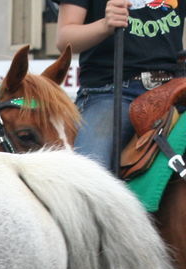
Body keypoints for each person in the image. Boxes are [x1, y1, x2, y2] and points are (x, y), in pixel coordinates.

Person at [58, 0, 185, 171]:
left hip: (174, 89)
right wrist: (104, 25)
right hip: (111, 91)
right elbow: (64, 38)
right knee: (91, 172)